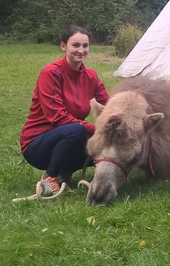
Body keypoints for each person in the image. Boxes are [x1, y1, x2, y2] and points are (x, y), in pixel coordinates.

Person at [20, 26, 110, 194]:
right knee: (76, 130)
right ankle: (48, 179)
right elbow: (57, 118)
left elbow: (110, 105)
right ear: (64, 46)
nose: (81, 50)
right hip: (37, 144)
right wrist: (96, 129)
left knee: (107, 143)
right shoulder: (51, 73)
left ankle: (65, 172)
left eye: (85, 46)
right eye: (75, 45)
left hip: (68, 137)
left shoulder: (91, 76)